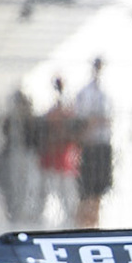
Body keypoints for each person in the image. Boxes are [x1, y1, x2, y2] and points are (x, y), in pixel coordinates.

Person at [0, 88, 41, 221]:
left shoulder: (32, 120)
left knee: (27, 187)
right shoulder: (8, 120)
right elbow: (6, 136)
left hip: (27, 157)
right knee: (11, 187)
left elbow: (34, 139)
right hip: (11, 157)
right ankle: (13, 214)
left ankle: (25, 215)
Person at [74, 57, 113, 227]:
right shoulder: (85, 93)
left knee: (100, 187)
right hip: (89, 146)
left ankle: (95, 221)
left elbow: (108, 119)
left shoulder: (105, 92)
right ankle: (82, 222)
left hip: (103, 145)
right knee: (86, 188)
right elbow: (84, 119)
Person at [38, 77, 77, 226]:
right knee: (44, 195)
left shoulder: (67, 112)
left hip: (63, 160)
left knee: (66, 196)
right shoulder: (51, 112)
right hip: (49, 160)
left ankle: (69, 222)